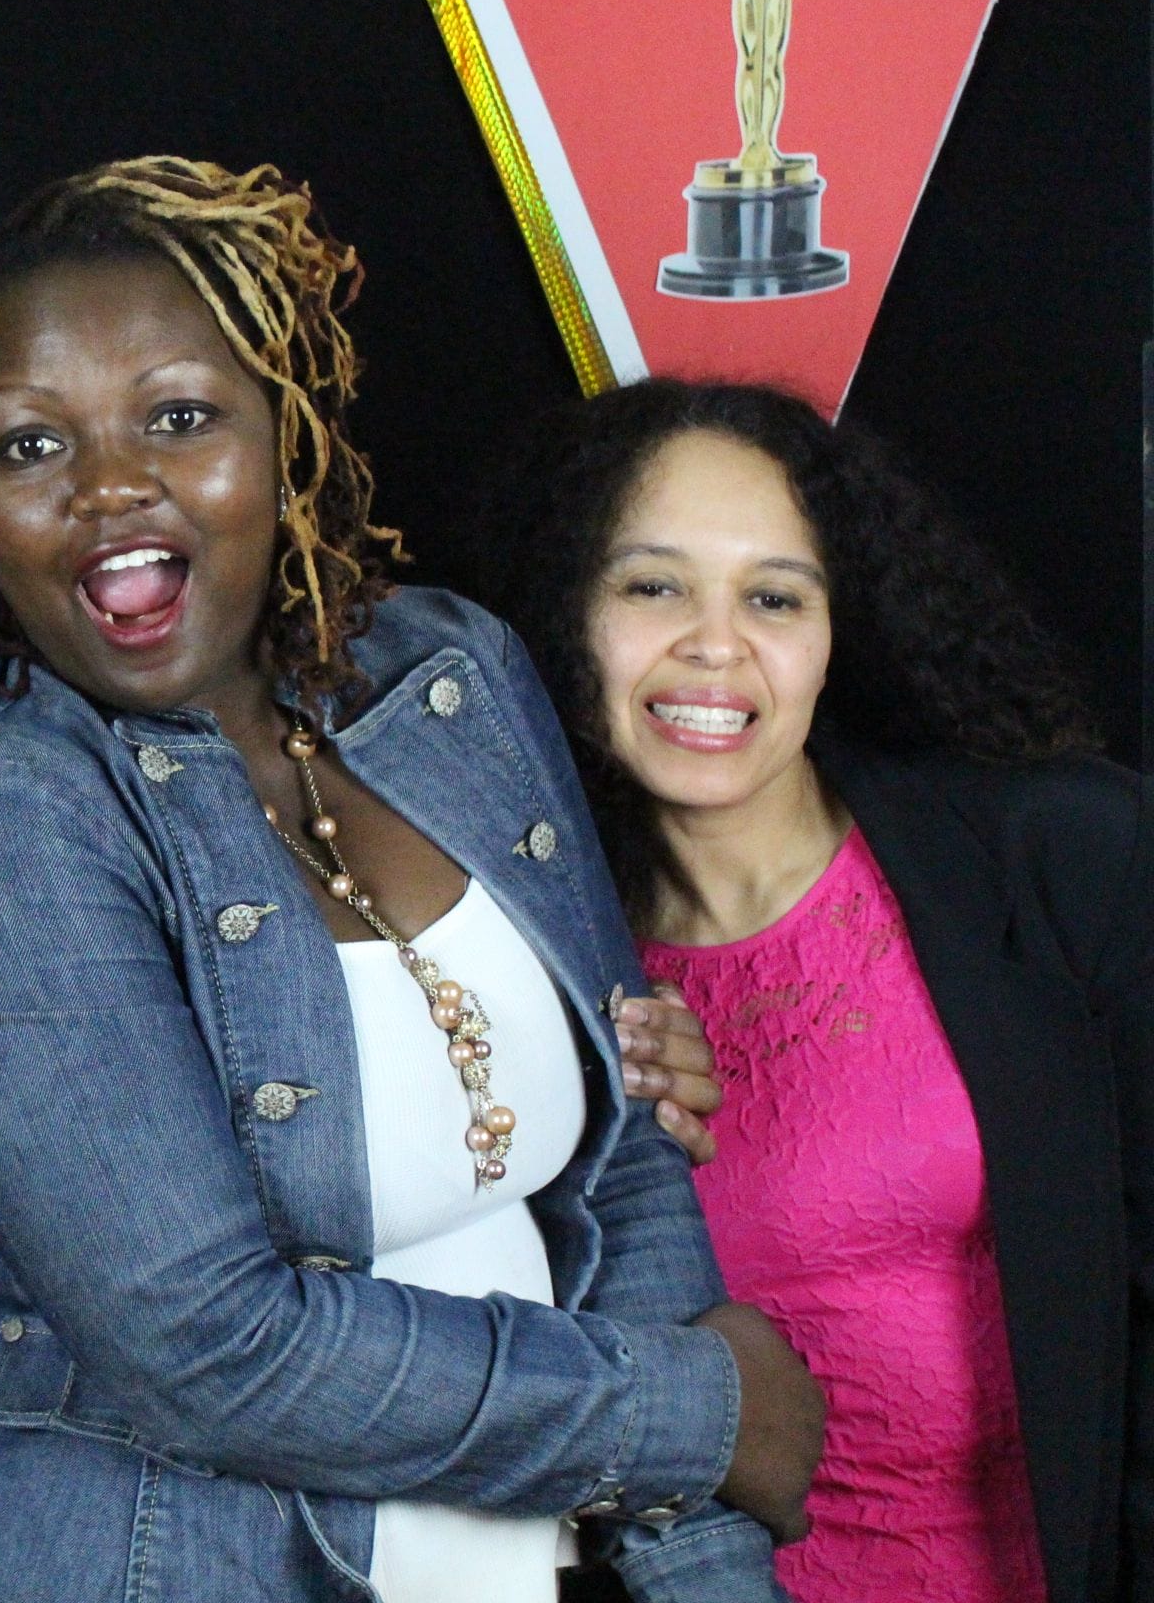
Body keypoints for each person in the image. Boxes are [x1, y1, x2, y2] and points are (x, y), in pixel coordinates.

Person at [0, 159, 823, 1603]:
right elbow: (209, 1350)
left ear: (291, 430)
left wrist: (708, 1565)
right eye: (30, 445)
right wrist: (693, 1421)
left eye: (181, 417)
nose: (109, 485)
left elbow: (623, 1163)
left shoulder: (450, 675)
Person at [477, 378, 1154, 1603]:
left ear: (840, 632)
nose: (714, 644)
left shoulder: (1066, 856)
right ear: (567, 615)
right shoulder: (516, 966)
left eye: (774, 597)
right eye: (653, 586)